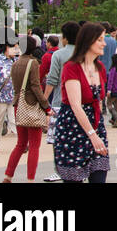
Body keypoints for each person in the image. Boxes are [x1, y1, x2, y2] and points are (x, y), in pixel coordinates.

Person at [54, 21, 111, 183]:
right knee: (73, 178)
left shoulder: (99, 67)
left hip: (95, 127)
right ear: (89, 40)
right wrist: (92, 135)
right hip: (72, 130)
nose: (104, 43)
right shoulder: (71, 67)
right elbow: (75, 105)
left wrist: (98, 131)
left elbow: (98, 101)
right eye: (100, 39)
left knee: (99, 174)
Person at [2, 36, 50, 183]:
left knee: (21, 143)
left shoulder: (15, 63)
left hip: (19, 105)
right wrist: (45, 105)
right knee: (34, 145)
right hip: (31, 105)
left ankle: (8, 176)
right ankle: (30, 179)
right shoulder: (33, 63)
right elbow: (35, 86)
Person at [40, 20, 78, 182]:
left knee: (58, 139)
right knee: (77, 137)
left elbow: (52, 80)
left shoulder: (59, 55)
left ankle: (59, 169)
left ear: (65, 38)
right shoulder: (84, 53)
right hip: (80, 103)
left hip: (59, 101)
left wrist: (43, 100)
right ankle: (76, 167)